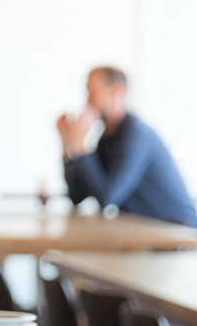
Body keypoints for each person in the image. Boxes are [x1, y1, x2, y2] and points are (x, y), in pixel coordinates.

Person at [57, 66, 197, 227]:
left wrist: (81, 146)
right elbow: (77, 196)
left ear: (117, 91)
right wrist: (68, 144)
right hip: (147, 236)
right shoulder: (108, 138)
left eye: (92, 92)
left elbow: (107, 198)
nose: (88, 101)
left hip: (178, 237)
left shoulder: (137, 136)